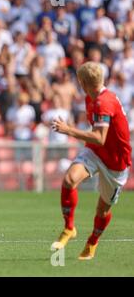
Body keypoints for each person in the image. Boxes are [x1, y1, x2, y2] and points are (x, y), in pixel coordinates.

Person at [50, 62, 132, 260]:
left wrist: (68, 130)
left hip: (115, 162)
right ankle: (69, 228)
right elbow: (98, 141)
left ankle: (92, 243)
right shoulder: (91, 98)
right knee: (70, 180)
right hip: (96, 153)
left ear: (84, 82)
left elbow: (100, 137)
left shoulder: (104, 102)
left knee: (102, 212)